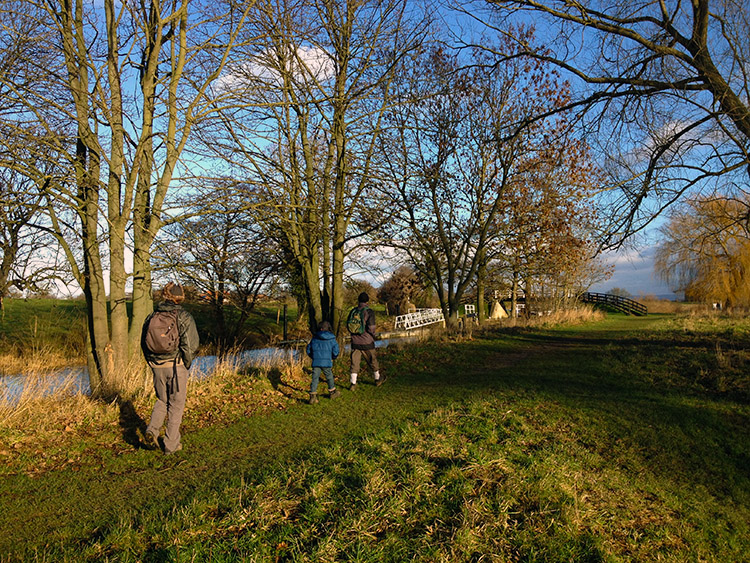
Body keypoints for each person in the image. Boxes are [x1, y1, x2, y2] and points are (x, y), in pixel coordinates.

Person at [141, 282, 199, 455]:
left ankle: (152, 430)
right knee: (176, 404)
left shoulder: (151, 316)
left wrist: (151, 362)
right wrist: (186, 363)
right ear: (180, 297)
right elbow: (191, 345)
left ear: (165, 296)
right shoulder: (183, 316)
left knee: (162, 400)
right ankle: (171, 445)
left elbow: (143, 343)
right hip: (176, 365)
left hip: (156, 365)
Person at [348, 292, 385, 390]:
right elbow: (371, 327)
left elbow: (348, 325)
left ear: (358, 300)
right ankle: (377, 379)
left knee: (354, 363)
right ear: (367, 301)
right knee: (372, 360)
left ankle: (353, 383)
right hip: (367, 341)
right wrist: (373, 336)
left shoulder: (353, 311)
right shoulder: (369, 311)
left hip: (355, 342)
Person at [305, 320, 340, 404]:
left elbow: (308, 349)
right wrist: (333, 357)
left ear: (320, 328)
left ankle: (313, 396)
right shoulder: (332, 338)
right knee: (329, 376)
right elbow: (336, 351)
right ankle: (332, 392)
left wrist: (313, 357)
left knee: (315, 378)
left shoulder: (314, 338)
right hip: (327, 361)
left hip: (316, 361)